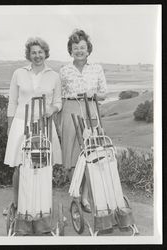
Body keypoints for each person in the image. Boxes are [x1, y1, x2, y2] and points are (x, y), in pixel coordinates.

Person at [4, 37, 62, 209]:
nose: (37, 55)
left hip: (44, 126)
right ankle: (16, 203)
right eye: (33, 52)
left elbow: (58, 102)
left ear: (46, 53)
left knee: (43, 165)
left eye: (40, 52)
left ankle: (43, 205)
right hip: (21, 123)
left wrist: (52, 110)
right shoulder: (19, 73)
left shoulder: (54, 76)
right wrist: (9, 126)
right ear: (29, 55)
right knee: (20, 165)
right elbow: (12, 102)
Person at [59, 29, 107, 213]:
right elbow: (59, 96)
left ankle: (85, 196)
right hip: (70, 111)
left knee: (91, 154)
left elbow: (104, 94)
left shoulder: (97, 69)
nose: (79, 50)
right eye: (75, 47)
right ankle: (75, 193)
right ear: (70, 50)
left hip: (91, 111)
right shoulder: (64, 70)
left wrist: (92, 94)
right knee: (71, 155)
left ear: (88, 49)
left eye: (82, 47)